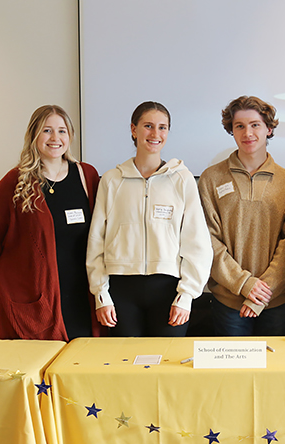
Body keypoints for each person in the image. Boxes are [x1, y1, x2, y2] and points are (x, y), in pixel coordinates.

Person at [87, 101, 211, 336]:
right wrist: (101, 294)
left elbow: (198, 243)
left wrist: (186, 295)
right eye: (148, 126)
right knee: (124, 366)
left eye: (163, 127)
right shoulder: (112, 180)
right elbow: (96, 241)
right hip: (120, 291)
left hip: (168, 291)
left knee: (165, 365)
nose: (156, 134)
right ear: (133, 130)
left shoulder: (182, 180)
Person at [0, 105, 100, 341]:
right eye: (47, 130)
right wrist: (18, 282)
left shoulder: (87, 176)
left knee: (77, 368)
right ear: (34, 135)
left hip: (81, 295)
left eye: (62, 131)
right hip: (34, 301)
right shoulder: (14, 182)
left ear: (70, 135)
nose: (55, 138)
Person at [198, 96, 285, 336]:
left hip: (274, 301)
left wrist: (261, 292)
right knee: (232, 373)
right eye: (240, 126)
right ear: (231, 130)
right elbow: (207, 240)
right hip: (229, 301)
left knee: (275, 372)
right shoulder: (211, 178)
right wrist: (243, 284)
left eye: (255, 124)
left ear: (269, 128)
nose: (248, 133)